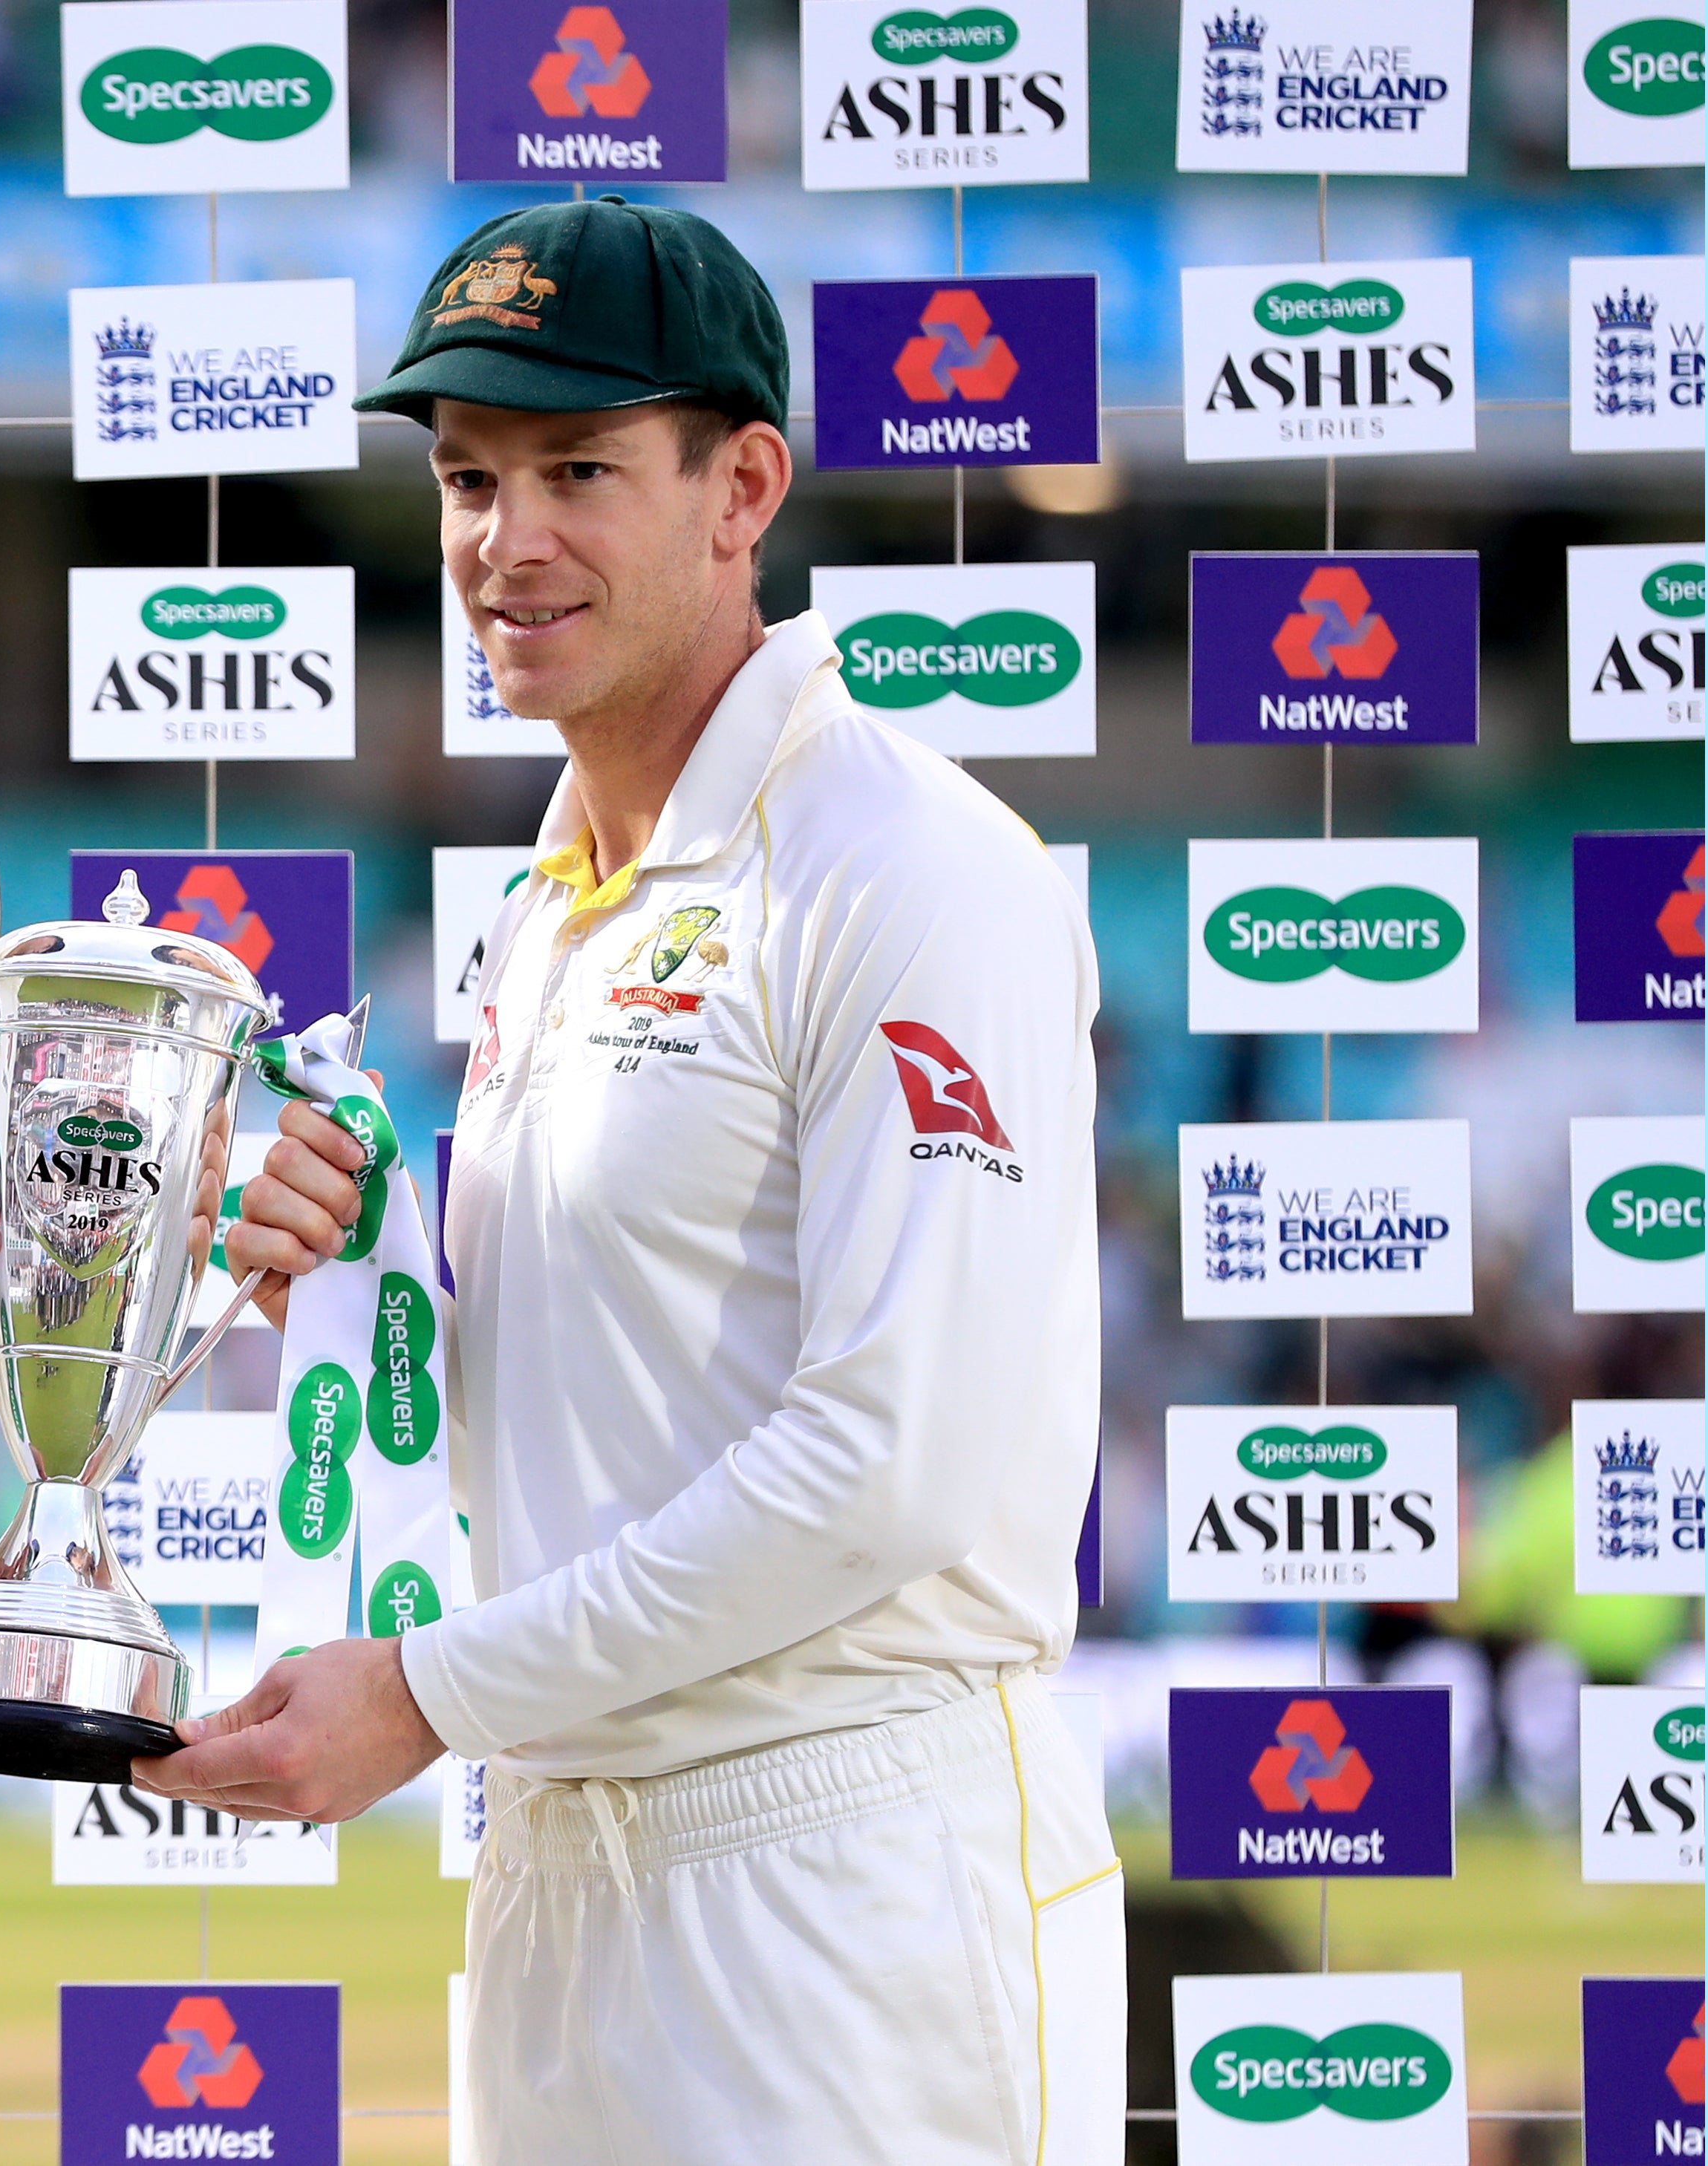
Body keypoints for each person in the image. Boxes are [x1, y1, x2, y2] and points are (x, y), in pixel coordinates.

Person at [141, 198, 1121, 2165]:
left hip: (844, 1880)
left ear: (741, 484)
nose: (507, 542)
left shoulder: (904, 865)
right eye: (468, 476)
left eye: (578, 469)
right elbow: (622, 1383)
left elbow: (887, 1459)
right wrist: (350, 1282)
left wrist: (426, 1693)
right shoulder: (555, 884)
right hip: (564, 1864)